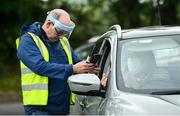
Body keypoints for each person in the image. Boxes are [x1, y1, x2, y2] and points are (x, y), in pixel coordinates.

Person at [16, 9, 99, 115]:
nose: (61, 37)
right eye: (59, 32)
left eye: (65, 34)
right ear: (48, 24)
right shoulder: (28, 40)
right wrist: (72, 68)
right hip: (39, 109)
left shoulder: (63, 41)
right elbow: (39, 67)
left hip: (62, 109)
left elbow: (77, 63)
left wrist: (90, 68)